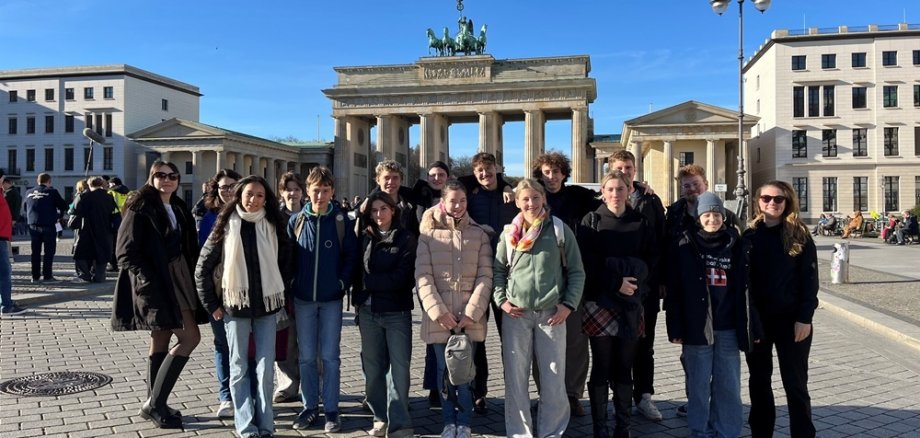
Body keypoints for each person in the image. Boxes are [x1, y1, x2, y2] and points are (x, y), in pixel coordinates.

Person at [111, 160, 207, 429]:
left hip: (179, 276)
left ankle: (156, 403)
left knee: (161, 338)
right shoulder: (140, 205)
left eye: (172, 176)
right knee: (190, 337)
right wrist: (147, 278)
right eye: (160, 175)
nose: (166, 180)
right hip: (157, 281)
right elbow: (125, 252)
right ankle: (155, 403)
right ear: (151, 177)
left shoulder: (177, 206)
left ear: (178, 180)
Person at [196, 175, 293, 438]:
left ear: (266, 199)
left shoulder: (274, 224)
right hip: (234, 309)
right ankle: (245, 425)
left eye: (260, 195)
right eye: (249, 194)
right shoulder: (226, 224)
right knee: (239, 367)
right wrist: (212, 305)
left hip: (266, 308)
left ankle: (266, 425)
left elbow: (287, 261)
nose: (254, 199)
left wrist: (280, 290)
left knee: (264, 369)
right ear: (239, 195)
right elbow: (202, 269)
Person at [493, 178, 586, 438]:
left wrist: (568, 305)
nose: (531, 203)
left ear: (543, 198)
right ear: (517, 201)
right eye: (525, 198)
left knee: (554, 378)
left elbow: (577, 271)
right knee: (515, 378)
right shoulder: (508, 233)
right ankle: (520, 433)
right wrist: (501, 300)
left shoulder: (558, 229)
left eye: (536, 197)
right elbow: (499, 270)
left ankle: (551, 432)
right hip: (517, 314)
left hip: (551, 315)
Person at [666, 192, 758, 438]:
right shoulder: (685, 244)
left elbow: (747, 289)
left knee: (728, 383)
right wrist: (675, 327)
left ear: (723, 217)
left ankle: (726, 430)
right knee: (698, 385)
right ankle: (700, 429)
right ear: (699, 217)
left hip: (727, 324)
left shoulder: (736, 244)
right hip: (697, 326)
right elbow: (675, 289)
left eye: (716, 214)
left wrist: (752, 327)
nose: (712, 219)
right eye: (707, 215)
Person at [577, 170, 658, 438]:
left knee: (625, 365)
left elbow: (651, 258)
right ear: (603, 191)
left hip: (632, 302)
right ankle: (600, 427)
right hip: (600, 300)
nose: (615, 194)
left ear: (628, 190)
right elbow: (587, 263)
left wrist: (637, 287)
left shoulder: (640, 220)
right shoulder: (591, 220)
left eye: (620, 189)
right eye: (610, 189)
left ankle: (623, 427)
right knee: (601, 364)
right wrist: (615, 284)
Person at [416, 180, 493, 438]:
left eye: (462, 201)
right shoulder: (427, 234)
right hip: (441, 317)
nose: (458, 205)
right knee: (444, 372)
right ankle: (449, 421)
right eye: (452, 201)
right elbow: (423, 276)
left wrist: (473, 311)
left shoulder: (479, 234)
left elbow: (486, 276)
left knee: (466, 373)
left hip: (470, 317)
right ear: (443, 201)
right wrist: (438, 312)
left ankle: (466, 421)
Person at [744, 181, 818, 438]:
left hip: (792, 321)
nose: (772, 203)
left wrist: (804, 318)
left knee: (795, 384)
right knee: (759, 382)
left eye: (778, 199)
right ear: (758, 201)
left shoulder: (799, 235)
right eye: (766, 198)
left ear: (787, 202)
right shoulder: (750, 236)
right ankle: (761, 433)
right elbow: (746, 284)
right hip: (759, 321)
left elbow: (810, 282)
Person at [528, 152, 600, 417]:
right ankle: (546, 393)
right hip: (542, 279)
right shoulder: (534, 198)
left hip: (572, 276)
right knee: (541, 339)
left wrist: (640, 188)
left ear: (564, 173)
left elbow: (612, 191)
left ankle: (572, 393)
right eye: (547, 172)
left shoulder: (577, 196)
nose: (552, 176)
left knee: (575, 340)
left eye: (556, 171)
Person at [663, 164, 737, 417]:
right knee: (693, 360)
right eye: (686, 186)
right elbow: (666, 249)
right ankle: (696, 403)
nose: (692, 189)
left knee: (724, 365)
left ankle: (718, 407)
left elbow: (740, 247)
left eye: (696, 184)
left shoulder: (725, 214)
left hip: (720, 299)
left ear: (705, 183)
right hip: (688, 292)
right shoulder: (674, 213)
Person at [290, 166, 358, 433]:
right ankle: (309, 407)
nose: (320, 195)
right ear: (307, 191)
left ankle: (331, 409)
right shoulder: (296, 221)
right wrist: (293, 284)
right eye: (316, 190)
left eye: (325, 191)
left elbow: (351, 257)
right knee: (306, 357)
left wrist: (341, 283)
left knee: (330, 356)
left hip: (331, 299)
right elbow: (287, 259)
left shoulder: (341, 221)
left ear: (332, 192)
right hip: (303, 298)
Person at [608, 150, 667, 421]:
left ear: (634, 169)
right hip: (613, 289)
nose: (624, 170)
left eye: (628, 167)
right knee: (615, 344)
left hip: (645, 289)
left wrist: (650, 280)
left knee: (645, 344)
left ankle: (644, 396)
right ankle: (618, 397)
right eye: (619, 166)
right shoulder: (602, 198)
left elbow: (660, 241)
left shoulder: (649, 199)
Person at [353, 191, 417, 438]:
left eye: (384, 209)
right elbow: (354, 269)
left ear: (393, 210)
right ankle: (379, 417)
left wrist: (370, 282)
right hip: (368, 312)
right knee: (373, 370)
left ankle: (400, 424)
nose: (379, 214)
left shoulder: (406, 238)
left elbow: (404, 277)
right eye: (374, 210)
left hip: (396, 312)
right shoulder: (363, 237)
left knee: (399, 370)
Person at [459, 152, 517, 413]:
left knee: (511, 339)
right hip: (479, 275)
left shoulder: (512, 197)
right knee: (477, 337)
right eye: (480, 171)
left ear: (498, 169)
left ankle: (514, 392)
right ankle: (478, 391)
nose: (485, 175)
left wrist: (507, 185)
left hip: (508, 276)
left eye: (489, 169)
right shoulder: (470, 198)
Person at [196, 168, 242, 418]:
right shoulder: (209, 217)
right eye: (223, 187)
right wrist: (209, 300)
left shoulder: (249, 213)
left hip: (245, 292)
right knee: (223, 345)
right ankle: (225, 396)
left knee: (245, 346)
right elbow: (202, 260)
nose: (228, 191)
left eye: (233, 186)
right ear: (216, 190)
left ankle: (245, 393)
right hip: (218, 292)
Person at [273, 171, 306, 403]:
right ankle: (287, 385)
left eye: (296, 189)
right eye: (288, 189)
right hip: (282, 286)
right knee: (285, 338)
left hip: (307, 285)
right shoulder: (273, 218)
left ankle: (313, 385)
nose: (292, 193)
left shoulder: (311, 215)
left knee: (310, 340)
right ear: (281, 193)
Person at [69, 176, 119, 283]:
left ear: (90, 185)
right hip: (104, 230)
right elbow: (114, 212)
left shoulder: (84, 196)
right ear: (101, 184)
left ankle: (84, 276)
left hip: (87, 229)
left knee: (81, 253)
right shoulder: (109, 197)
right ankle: (99, 276)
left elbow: (74, 210)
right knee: (101, 253)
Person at [355, 160, 420, 237]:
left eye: (395, 178)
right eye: (386, 178)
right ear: (378, 180)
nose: (390, 182)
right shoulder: (367, 208)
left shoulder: (413, 203)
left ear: (401, 180)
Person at [23, 172, 68, 283]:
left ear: (38, 181)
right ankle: (47, 276)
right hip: (48, 225)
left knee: (35, 252)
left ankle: (35, 276)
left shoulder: (28, 192)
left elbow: (25, 207)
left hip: (33, 225)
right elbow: (63, 205)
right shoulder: (52, 192)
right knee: (49, 252)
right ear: (49, 181)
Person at [0, 174, 26, 316]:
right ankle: (6, 306)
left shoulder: (3, 193)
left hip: (3, 237)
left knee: (4, 273)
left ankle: (6, 303)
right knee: (4, 273)